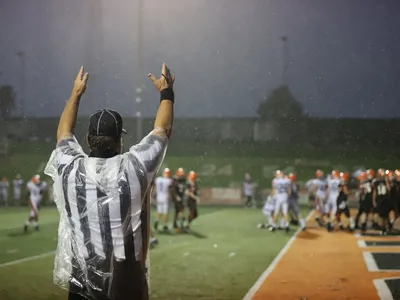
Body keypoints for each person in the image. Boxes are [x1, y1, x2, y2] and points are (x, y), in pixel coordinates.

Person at [44, 63, 175, 300]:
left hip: (81, 287)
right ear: (119, 141)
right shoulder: (134, 167)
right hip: (127, 285)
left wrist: (75, 94)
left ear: (87, 139)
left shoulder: (70, 168)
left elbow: (63, 133)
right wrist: (167, 93)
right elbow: (163, 129)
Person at [154, 168, 173, 232]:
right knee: (165, 212)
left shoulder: (158, 179)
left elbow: (155, 189)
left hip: (159, 197)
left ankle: (156, 221)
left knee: (159, 211)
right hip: (165, 197)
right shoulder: (169, 180)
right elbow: (169, 190)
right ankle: (165, 225)